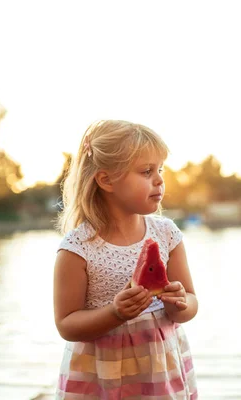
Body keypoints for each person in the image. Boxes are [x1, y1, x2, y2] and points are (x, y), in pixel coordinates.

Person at [52, 120, 198, 399]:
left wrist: (180, 302)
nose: (159, 180)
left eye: (160, 170)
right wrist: (114, 313)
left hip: (159, 370)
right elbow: (66, 324)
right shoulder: (77, 248)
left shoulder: (166, 234)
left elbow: (190, 303)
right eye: (146, 171)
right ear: (106, 180)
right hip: (99, 375)